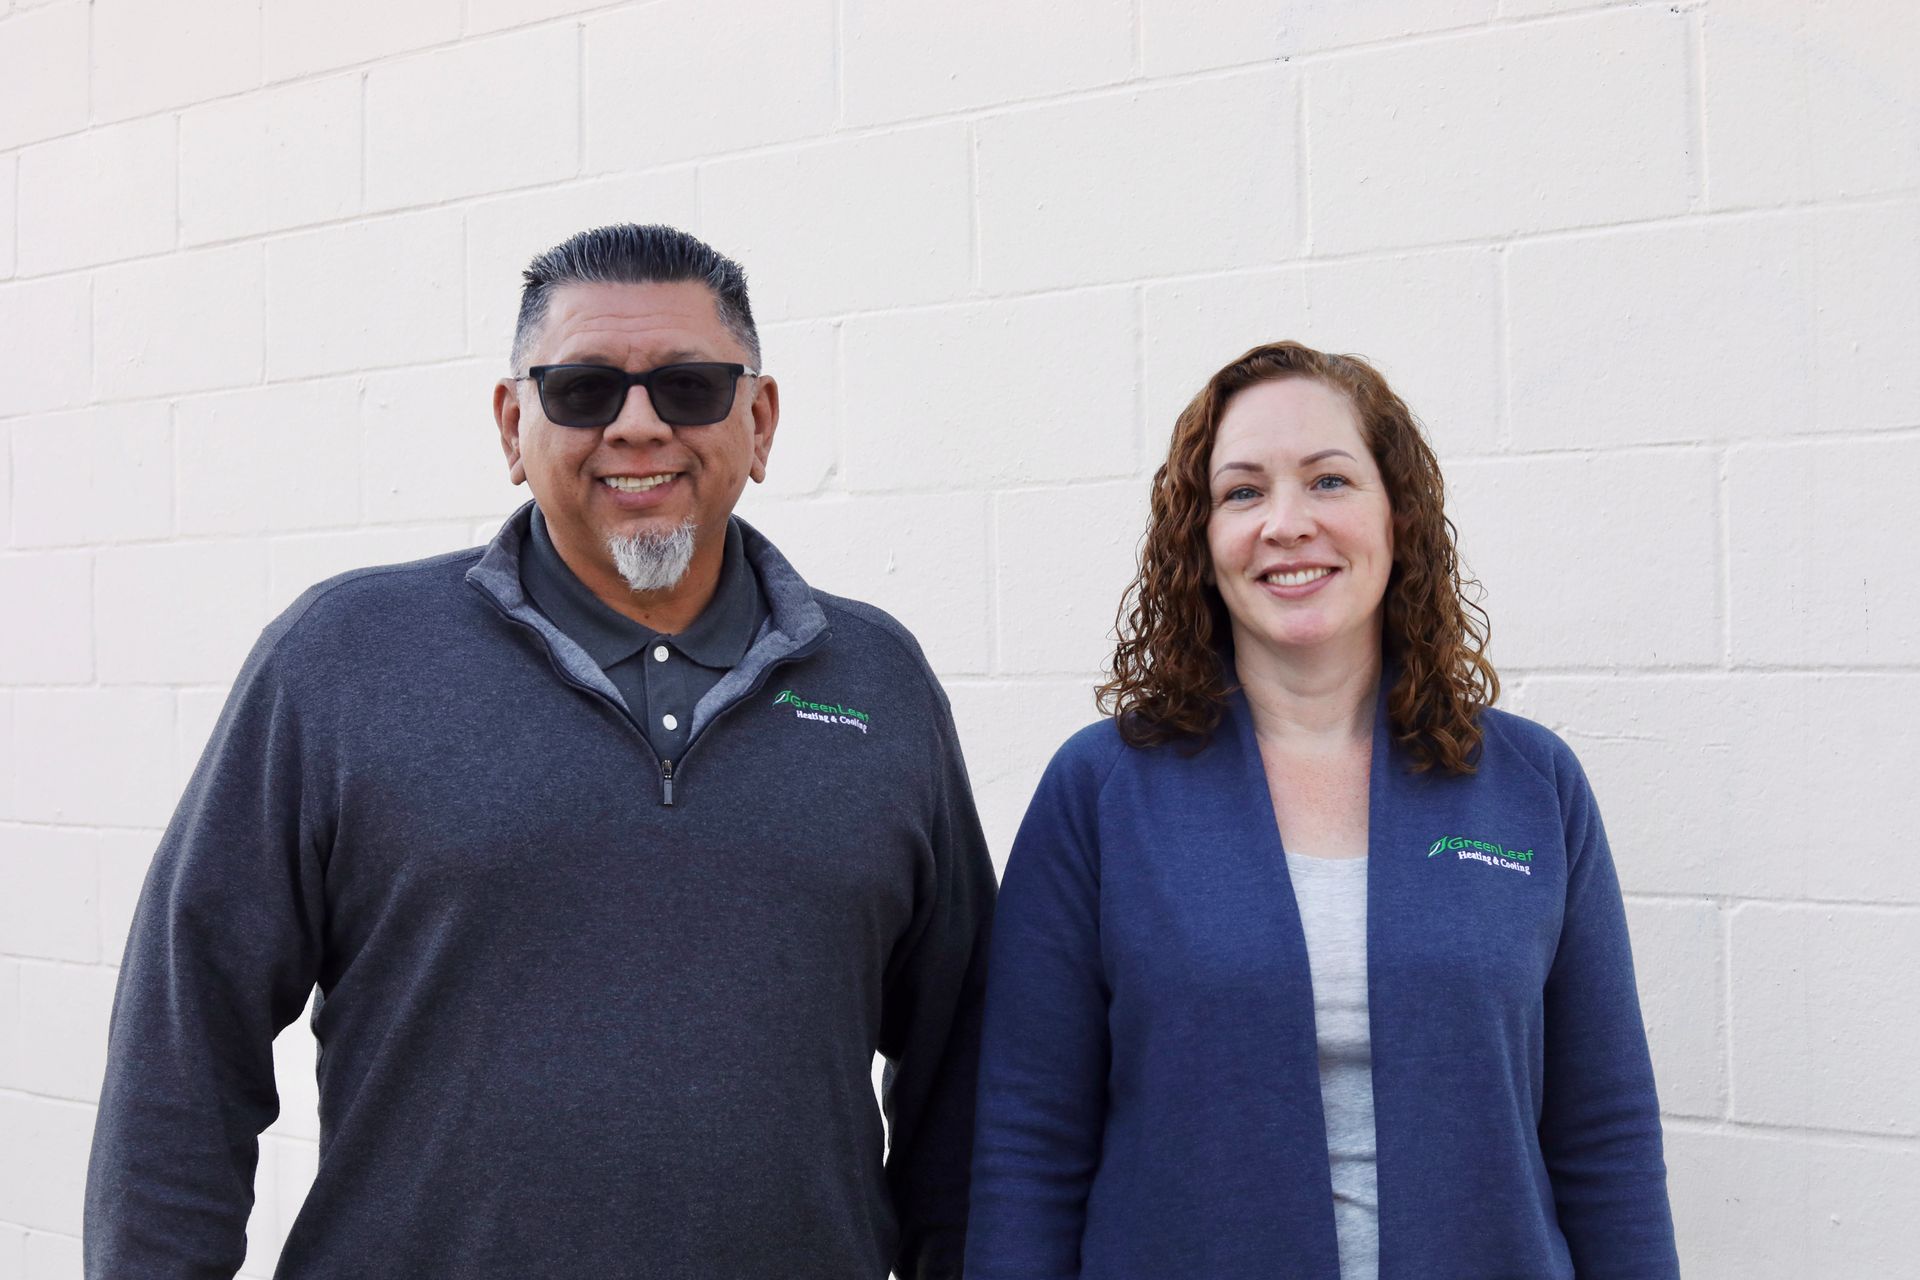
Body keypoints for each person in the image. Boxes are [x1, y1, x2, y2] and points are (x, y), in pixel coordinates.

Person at [85, 224, 995, 1280]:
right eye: (583, 390)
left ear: (761, 419)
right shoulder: (341, 660)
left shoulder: (878, 679)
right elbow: (184, 1047)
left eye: (692, 387)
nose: (640, 425)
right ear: (515, 425)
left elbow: (965, 1075)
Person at [965, 342, 1679, 1279]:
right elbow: (1028, 1140)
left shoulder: (1531, 784)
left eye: (1330, 480)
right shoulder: (1101, 791)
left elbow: (1606, 1136)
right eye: (1244, 492)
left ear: (1398, 515)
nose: (1287, 523)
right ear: (1201, 537)